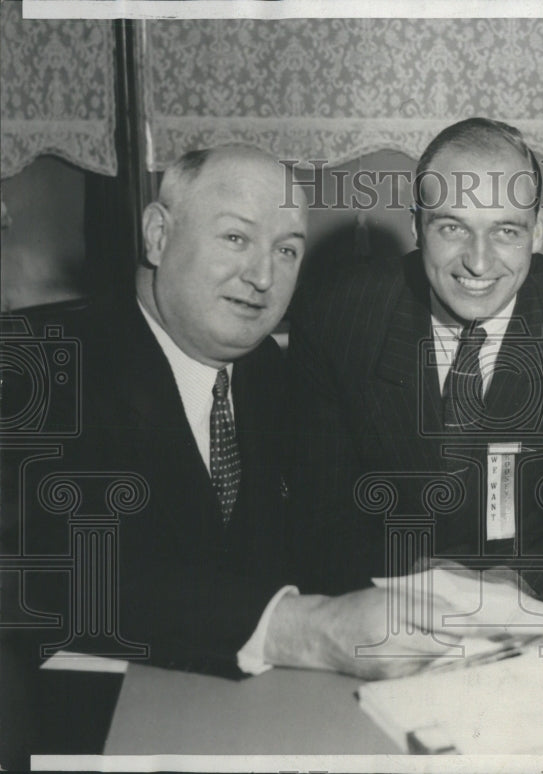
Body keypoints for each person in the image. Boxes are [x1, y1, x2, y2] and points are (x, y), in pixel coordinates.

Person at [3, 145, 475, 684]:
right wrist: (299, 627)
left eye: (287, 251)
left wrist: (411, 577)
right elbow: (60, 579)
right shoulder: (41, 369)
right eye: (235, 238)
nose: (262, 277)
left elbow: (307, 535)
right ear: (158, 235)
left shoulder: (264, 370)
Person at [289, 118, 543, 600]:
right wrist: (413, 575)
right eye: (453, 227)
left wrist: (520, 581)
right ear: (416, 225)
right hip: (387, 606)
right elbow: (317, 522)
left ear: (537, 233)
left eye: (505, 232)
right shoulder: (339, 317)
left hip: (537, 610)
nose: (478, 262)